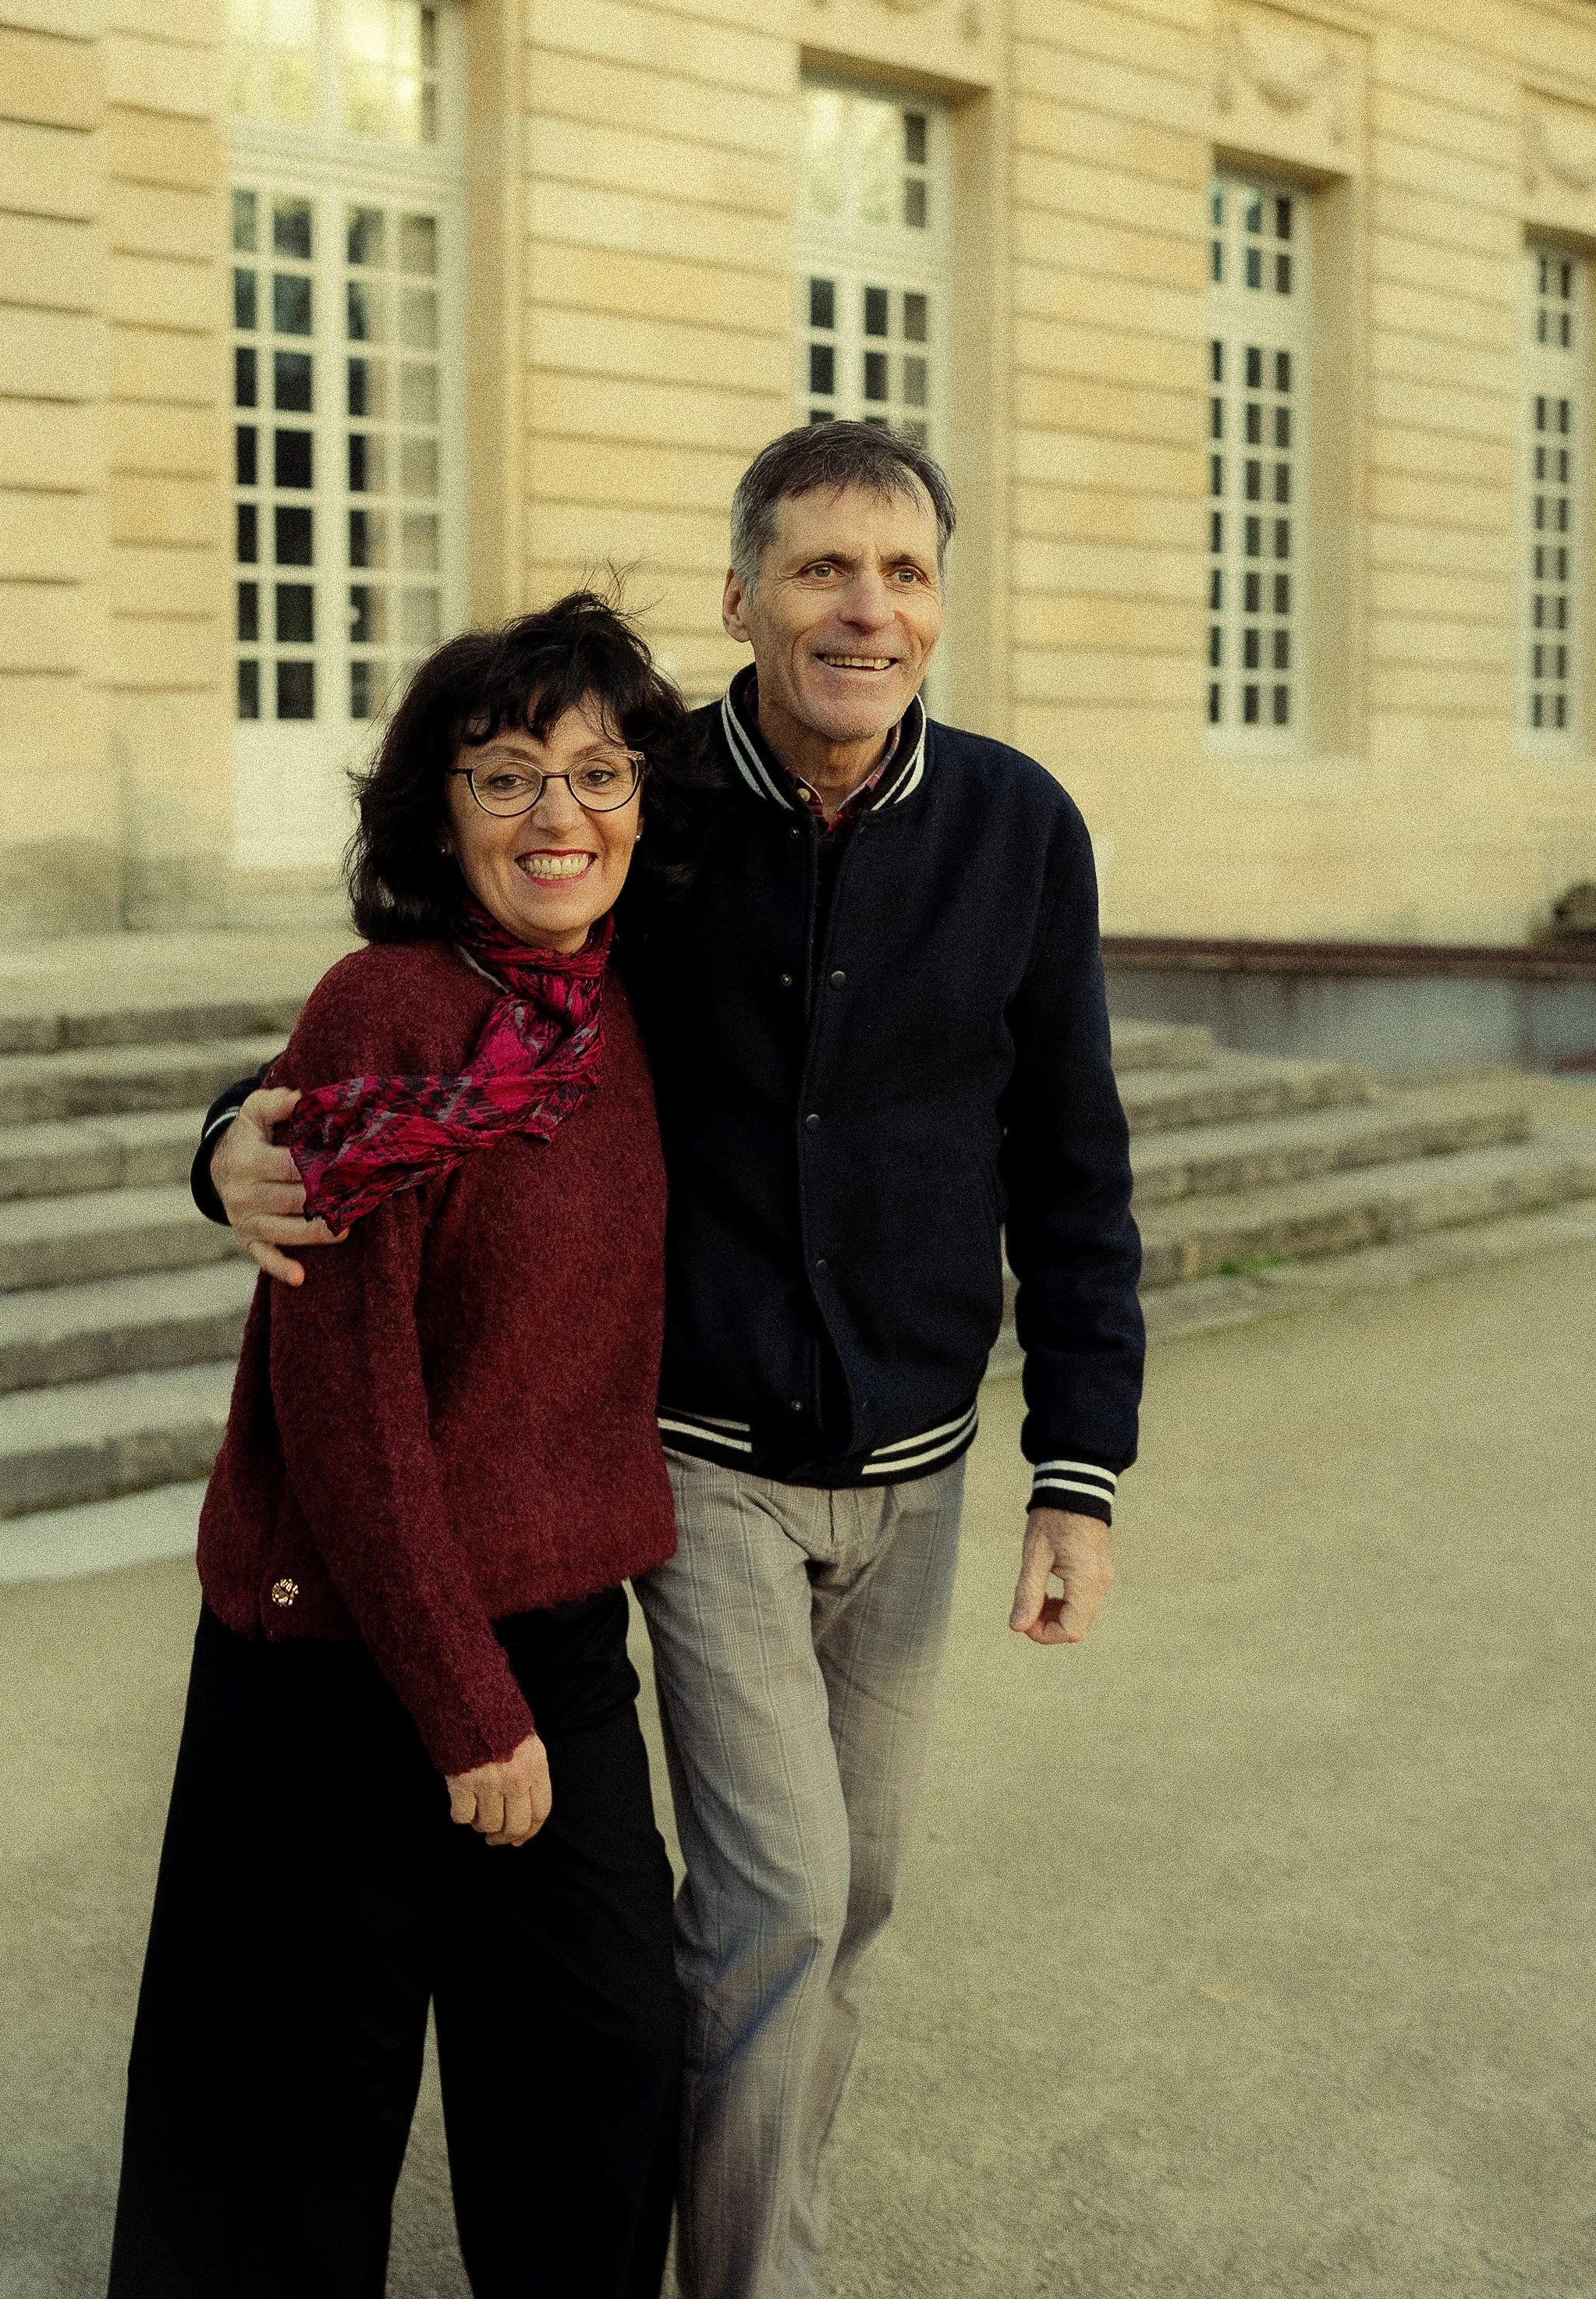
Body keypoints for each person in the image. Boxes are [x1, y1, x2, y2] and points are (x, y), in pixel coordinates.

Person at [200, 422, 1145, 2299]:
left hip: (922, 1467)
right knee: (782, 1898)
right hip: (696, 1461)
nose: (861, 611)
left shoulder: (1021, 826)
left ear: (941, 608)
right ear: (742, 598)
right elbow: (459, 993)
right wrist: (239, 1123)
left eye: (901, 574)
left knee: (842, 1906)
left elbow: (1072, 1156)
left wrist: (1079, 1465)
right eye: (819, 569)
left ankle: (737, 2243)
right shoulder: (656, 813)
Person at [109, 592, 704, 2299]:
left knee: (599, 2057)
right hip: (334, 1648)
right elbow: (345, 1400)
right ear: (436, 809)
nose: (558, 818)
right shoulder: (381, 1014)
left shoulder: (627, 1018)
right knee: (294, 2125)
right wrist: (460, 1700)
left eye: (597, 775)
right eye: (506, 777)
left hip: (556, 1627)